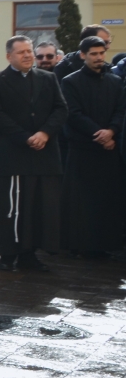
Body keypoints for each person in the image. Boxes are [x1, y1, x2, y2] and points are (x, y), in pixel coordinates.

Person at [0, 35, 68, 271]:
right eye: (22, 52)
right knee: (12, 208)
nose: (28, 55)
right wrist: (25, 137)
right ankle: (8, 254)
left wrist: (44, 133)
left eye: (30, 51)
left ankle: (30, 254)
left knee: (39, 207)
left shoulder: (48, 79)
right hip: (13, 155)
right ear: (9, 56)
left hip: (44, 155)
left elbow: (61, 109)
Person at [59, 36, 124, 256]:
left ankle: (107, 244)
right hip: (83, 150)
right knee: (82, 203)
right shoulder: (70, 81)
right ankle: (81, 245)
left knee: (108, 200)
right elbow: (73, 114)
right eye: (93, 54)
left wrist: (112, 131)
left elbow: (120, 110)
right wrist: (100, 134)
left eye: (101, 53)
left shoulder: (115, 81)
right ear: (83, 55)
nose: (98, 58)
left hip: (108, 150)